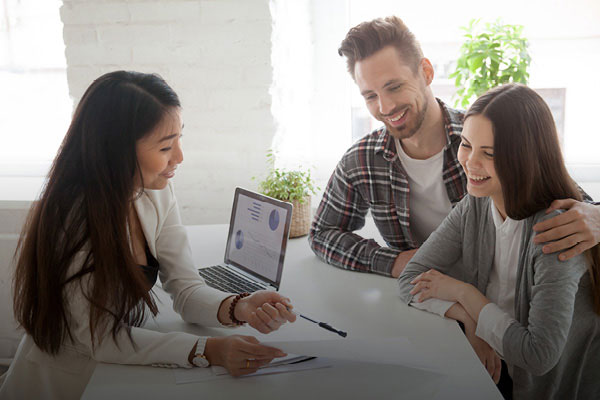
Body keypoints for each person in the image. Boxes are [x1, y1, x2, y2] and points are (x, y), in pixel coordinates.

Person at [0, 71, 296, 400]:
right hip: (66, 382)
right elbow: (100, 339)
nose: (179, 157)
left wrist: (239, 306)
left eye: (179, 139)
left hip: (115, 371)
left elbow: (185, 287)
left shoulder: (154, 192)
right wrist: (212, 350)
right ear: (117, 151)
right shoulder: (74, 218)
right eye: (166, 146)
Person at [308, 16, 600, 278]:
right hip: (428, 301)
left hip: (502, 306)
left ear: (426, 72)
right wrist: (393, 261)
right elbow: (322, 234)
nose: (385, 107)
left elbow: (575, 200)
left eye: (394, 87)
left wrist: (597, 218)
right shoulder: (362, 161)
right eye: (370, 96)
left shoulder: (486, 138)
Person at [398, 84, 600, 399]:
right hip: (492, 365)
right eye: (466, 145)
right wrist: (469, 320)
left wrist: (465, 293)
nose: (470, 163)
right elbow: (411, 278)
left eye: (490, 154)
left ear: (525, 157)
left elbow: (538, 355)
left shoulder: (557, 229)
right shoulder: (476, 203)